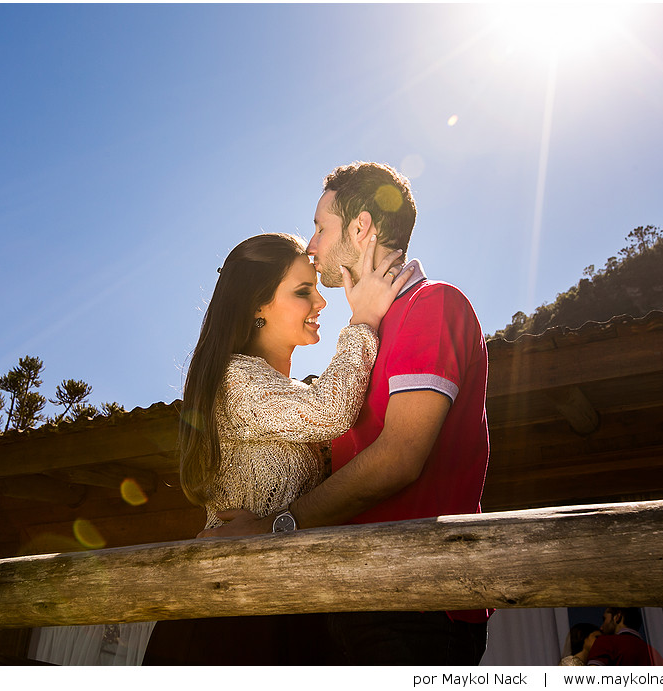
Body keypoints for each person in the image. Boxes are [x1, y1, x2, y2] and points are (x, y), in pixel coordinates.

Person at [199, 162, 492, 665]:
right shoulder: (367, 336)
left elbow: (400, 457)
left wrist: (277, 525)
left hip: (415, 597)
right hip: (347, 600)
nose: (312, 245)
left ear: (360, 228)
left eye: (320, 226)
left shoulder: (430, 306)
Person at [142, 232, 412, 665]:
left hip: (289, 608)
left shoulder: (287, 393)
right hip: (229, 616)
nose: (321, 303)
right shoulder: (235, 379)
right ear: (256, 306)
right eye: (304, 292)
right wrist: (363, 321)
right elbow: (331, 413)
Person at [587, 607, 663, 666]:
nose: (601, 627)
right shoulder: (654, 654)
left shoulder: (606, 642)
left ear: (617, 617)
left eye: (604, 619)